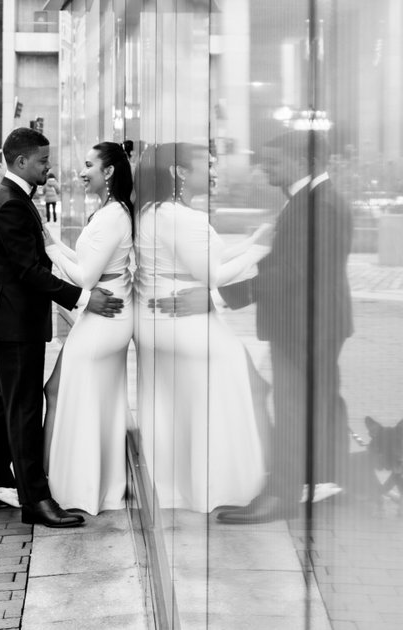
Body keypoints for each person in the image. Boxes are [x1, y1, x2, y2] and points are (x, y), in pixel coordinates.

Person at [156, 131, 354, 524]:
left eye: (275, 161)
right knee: (317, 402)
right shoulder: (312, 200)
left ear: (303, 162)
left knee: (294, 405)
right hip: (311, 322)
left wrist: (215, 299)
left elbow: (292, 272)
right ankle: (324, 482)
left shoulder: (320, 205)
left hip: (307, 324)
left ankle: (284, 495)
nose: (265, 169)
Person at [0, 127, 124, 529]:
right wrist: (82, 297)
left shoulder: (14, 199)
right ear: (21, 162)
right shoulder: (10, 204)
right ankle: (36, 501)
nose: (50, 167)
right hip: (15, 323)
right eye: (43, 161)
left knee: (6, 402)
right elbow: (28, 271)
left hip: (10, 322)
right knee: (24, 410)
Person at [133, 142, 270, 512]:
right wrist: (261, 252)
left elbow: (213, 255)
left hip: (161, 322)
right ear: (178, 171)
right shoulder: (181, 218)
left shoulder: (157, 212)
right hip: (184, 324)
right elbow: (213, 274)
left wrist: (253, 241)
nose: (212, 171)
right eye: (205, 165)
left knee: (184, 406)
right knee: (233, 385)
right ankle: (222, 487)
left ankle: (185, 485)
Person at [40, 141, 135, 515]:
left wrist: (50, 252)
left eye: (89, 164)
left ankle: (71, 486)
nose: (82, 171)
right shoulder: (111, 211)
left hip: (104, 316)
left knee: (67, 392)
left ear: (108, 172)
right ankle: (81, 483)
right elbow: (85, 261)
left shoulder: (113, 216)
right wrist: (55, 244)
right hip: (103, 313)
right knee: (72, 393)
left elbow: (86, 276)